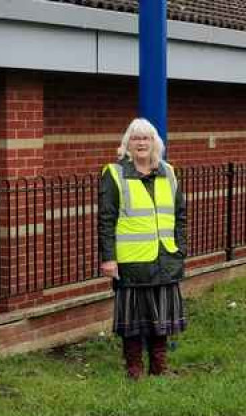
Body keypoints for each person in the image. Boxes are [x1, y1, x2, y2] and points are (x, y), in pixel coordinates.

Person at [98, 118, 188, 380]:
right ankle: (134, 370)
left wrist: (180, 247)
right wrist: (108, 258)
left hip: (164, 258)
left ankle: (160, 368)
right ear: (128, 144)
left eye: (146, 138)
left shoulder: (169, 172)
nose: (141, 143)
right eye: (135, 138)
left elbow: (180, 214)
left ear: (154, 143)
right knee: (133, 321)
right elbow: (106, 219)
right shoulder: (115, 174)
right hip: (132, 263)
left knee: (162, 318)